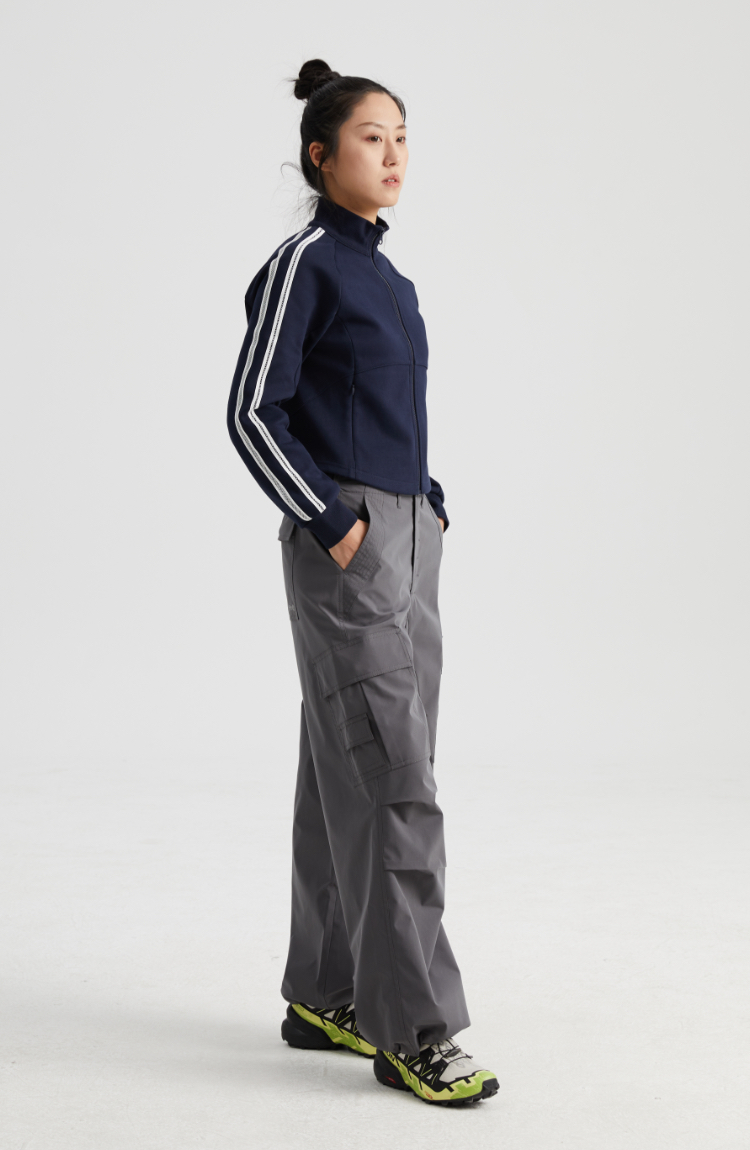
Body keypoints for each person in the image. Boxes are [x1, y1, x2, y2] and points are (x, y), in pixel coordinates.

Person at [226, 58, 499, 1107]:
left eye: (402, 136)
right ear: (320, 155)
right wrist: (333, 519)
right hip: (351, 540)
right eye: (372, 137)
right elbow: (253, 410)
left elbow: (377, 413)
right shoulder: (305, 264)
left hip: (407, 539)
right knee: (396, 776)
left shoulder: (392, 280)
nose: (393, 154)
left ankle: (326, 991)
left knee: (350, 759)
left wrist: (424, 499)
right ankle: (415, 1029)